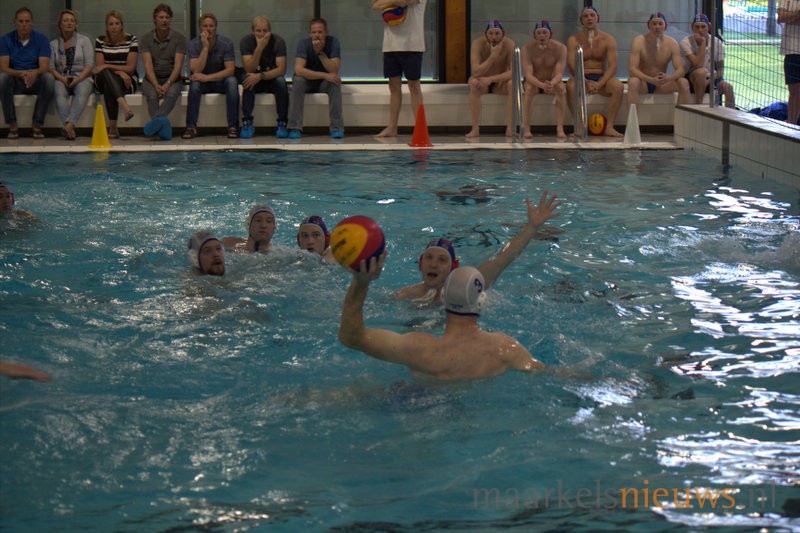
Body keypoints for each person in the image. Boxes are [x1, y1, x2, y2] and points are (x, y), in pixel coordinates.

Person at [339, 257, 545, 380]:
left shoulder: (418, 348)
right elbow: (547, 373)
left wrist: (360, 283)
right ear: (481, 301)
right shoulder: (504, 348)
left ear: (444, 297)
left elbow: (351, 337)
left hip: (416, 400)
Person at [393, 192, 562, 303]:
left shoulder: (466, 288)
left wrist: (531, 227)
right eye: (429, 257)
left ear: (453, 267)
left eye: (442, 260)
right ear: (420, 263)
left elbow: (501, 260)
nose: (434, 264)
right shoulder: (405, 295)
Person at [565, 6, 624, 137]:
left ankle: (609, 127)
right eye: (586, 16)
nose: (589, 18)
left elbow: (613, 66)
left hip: (601, 78)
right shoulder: (573, 40)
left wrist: (599, 84)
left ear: (598, 18)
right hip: (581, 78)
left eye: (592, 15)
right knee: (570, 86)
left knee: (618, 87)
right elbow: (572, 66)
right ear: (581, 20)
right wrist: (585, 82)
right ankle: (580, 127)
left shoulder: (608, 39)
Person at [371, 0, 427, 138]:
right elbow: (375, 5)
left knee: (414, 86)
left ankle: (420, 129)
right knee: (393, 86)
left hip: (412, 44)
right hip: (390, 44)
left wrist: (388, 2)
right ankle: (392, 127)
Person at [0, 7, 54, 139]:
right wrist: (20, 74)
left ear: (32, 23)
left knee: (49, 78)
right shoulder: (5, 40)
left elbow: (44, 67)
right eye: (21, 21)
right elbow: (3, 67)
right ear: (15, 23)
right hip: (15, 80)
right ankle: (12, 125)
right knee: (3, 78)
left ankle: (37, 124)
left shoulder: (41, 39)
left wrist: (34, 72)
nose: (24, 24)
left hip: (34, 80)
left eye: (27, 21)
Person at [183, 13, 238, 140]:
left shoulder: (226, 43)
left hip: (220, 81)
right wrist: (205, 48)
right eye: (205, 26)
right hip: (202, 83)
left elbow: (230, 70)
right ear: (200, 29)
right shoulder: (193, 44)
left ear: (216, 28)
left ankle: (233, 127)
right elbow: (196, 70)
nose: (208, 29)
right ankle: (191, 127)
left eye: (211, 26)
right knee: (195, 84)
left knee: (232, 81)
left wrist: (207, 78)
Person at [287, 18, 343, 140]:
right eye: (314, 32)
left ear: (326, 32)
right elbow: (299, 70)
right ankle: (294, 127)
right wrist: (324, 75)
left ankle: (336, 127)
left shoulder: (333, 42)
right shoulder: (303, 43)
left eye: (320, 32)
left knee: (335, 81)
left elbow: (334, 70)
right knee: (298, 80)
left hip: (324, 83)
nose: (317, 35)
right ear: (310, 34)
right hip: (307, 81)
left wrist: (320, 53)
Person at [140, 3, 187, 141]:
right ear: (155, 19)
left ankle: (153, 126)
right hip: (151, 78)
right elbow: (148, 66)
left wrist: (167, 84)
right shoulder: (145, 38)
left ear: (170, 19)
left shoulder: (179, 38)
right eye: (161, 17)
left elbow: (178, 66)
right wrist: (156, 85)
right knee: (152, 96)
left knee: (171, 94)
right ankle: (162, 126)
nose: (164, 20)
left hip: (172, 78)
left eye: (167, 17)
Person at [238, 16, 289, 139]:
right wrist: (259, 48)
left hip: (270, 77)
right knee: (248, 79)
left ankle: (282, 122)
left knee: (281, 82)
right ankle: (247, 121)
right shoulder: (246, 41)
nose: (261, 34)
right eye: (258, 31)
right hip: (253, 77)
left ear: (269, 31)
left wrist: (260, 76)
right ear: (253, 31)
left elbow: (281, 70)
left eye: (265, 31)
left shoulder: (278, 41)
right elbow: (249, 68)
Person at [627, 12, 691, 110]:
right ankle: (631, 119)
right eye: (654, 24)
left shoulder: (672, 43)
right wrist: (651, 80)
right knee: (633, 82)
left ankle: (683, 118)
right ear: (649, 26)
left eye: (660, 24)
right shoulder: (638, 41)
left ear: (665, 26)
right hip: (643, 83)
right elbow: (632, 69)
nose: (657, 27)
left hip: (662, 84)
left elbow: (681, 70)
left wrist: (668, 78)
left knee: (684, 82)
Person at [465, 20, 515, 139]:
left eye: (497, 34)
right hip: (482, 81)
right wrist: (493, 56)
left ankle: (510, 127)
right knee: (473, 83)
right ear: (485, 34)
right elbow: (476, 72)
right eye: (490, 33)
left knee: (512, 84)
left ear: (503, 34)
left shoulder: (509, 44)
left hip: (499, 82)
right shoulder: (477, 44)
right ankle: (475, 129)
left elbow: (514, 72)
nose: (494, 37)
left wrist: (491, 79)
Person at [93, 10, 138, 139]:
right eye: (111, 24)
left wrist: (110, 66)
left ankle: (113, 128)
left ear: (122, 25)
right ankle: (124, 106)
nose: (114, 27)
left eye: (117, 23)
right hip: (103, 78)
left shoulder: (131, 40)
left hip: (127, 79)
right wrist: (119, 71)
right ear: (106, 27)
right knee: (106, 75)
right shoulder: (100, 41)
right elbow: (100, 68)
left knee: (109, 86)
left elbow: (131, 68)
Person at [49, 9, 94, 141]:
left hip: (82, 76)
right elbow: (51, 68)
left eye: (72, 21)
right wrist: (62, 79)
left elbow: (89, 64)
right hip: (62, 77)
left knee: (82, 91)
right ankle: (70, 128)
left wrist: (79, 79)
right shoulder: (53, 44)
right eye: (65, 21)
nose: (69, 23)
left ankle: (69, 125)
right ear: (60, 24)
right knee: (58, 91)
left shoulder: (84, 40)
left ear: (76, 24)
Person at [521, 20, 567, 139]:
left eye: (545, 33)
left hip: (552, 80)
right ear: (534, 35)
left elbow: (559, 73)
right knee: (529, 88)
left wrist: (551, 83)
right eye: (539, 33)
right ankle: (526, 127)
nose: (542, 36)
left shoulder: (560, 48)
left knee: (561, 88)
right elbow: (528, 75)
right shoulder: (527, 49)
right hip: (534, 82)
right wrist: (542, 85)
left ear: (550, 34)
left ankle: (560, 128)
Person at [679, 14, 735, 108]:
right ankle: (699, 107)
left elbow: (720, 69)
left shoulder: (716, 42)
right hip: (692, 78)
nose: (700, 30)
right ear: (692, 27)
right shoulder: (685, 42)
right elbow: (698, 64)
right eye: (697, 27)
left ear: (708, 27)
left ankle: (730, 116)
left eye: (703, 27)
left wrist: (708, 81)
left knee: (728, 87)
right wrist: (702, 43)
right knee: (701, 72)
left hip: (711, 78)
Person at [778, 0, 800, 125]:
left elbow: (786, 17)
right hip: (792, 50)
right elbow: (781, 17)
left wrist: (791, 15)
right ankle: (791, 125)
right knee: (794, 92)